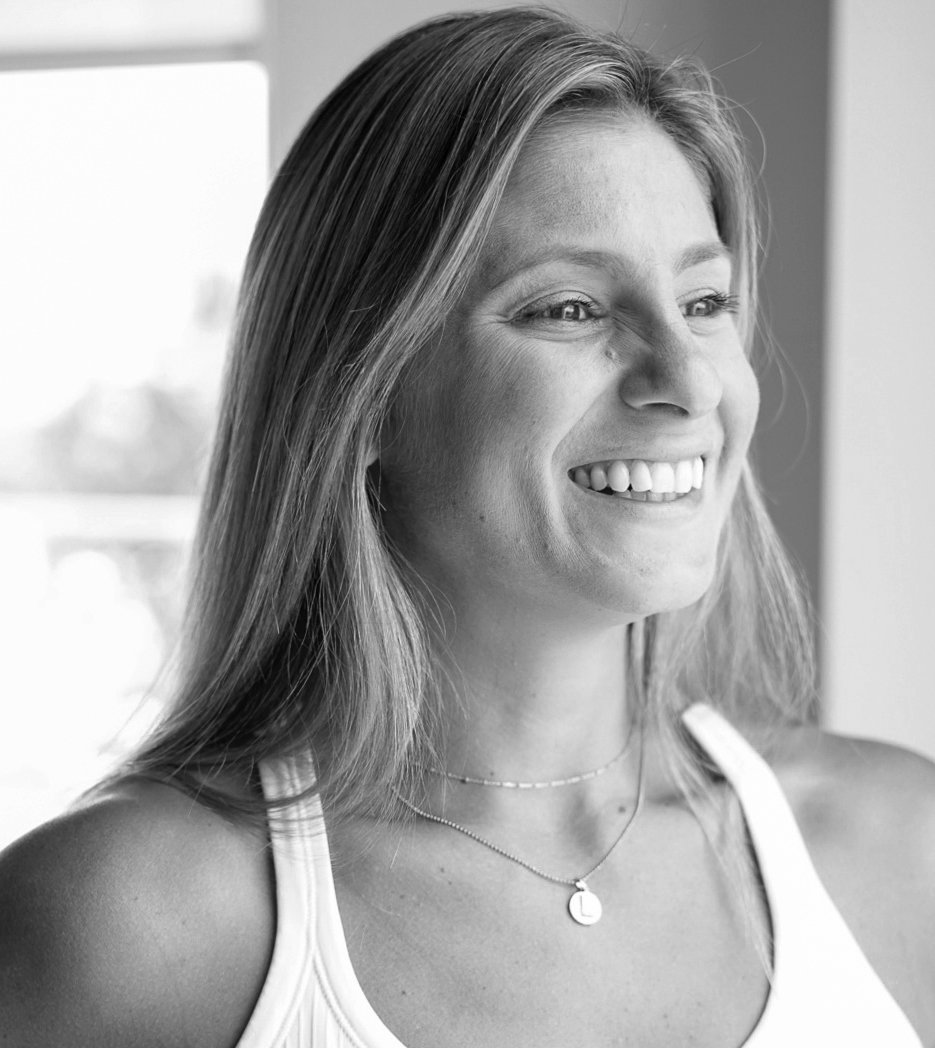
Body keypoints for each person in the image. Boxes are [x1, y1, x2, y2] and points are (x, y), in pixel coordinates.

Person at [1, 7, 933, 1046]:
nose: (688, 379)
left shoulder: (897, 852)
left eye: (704, 301)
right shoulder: (124, 924)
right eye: (569, 308)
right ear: (363, 396)